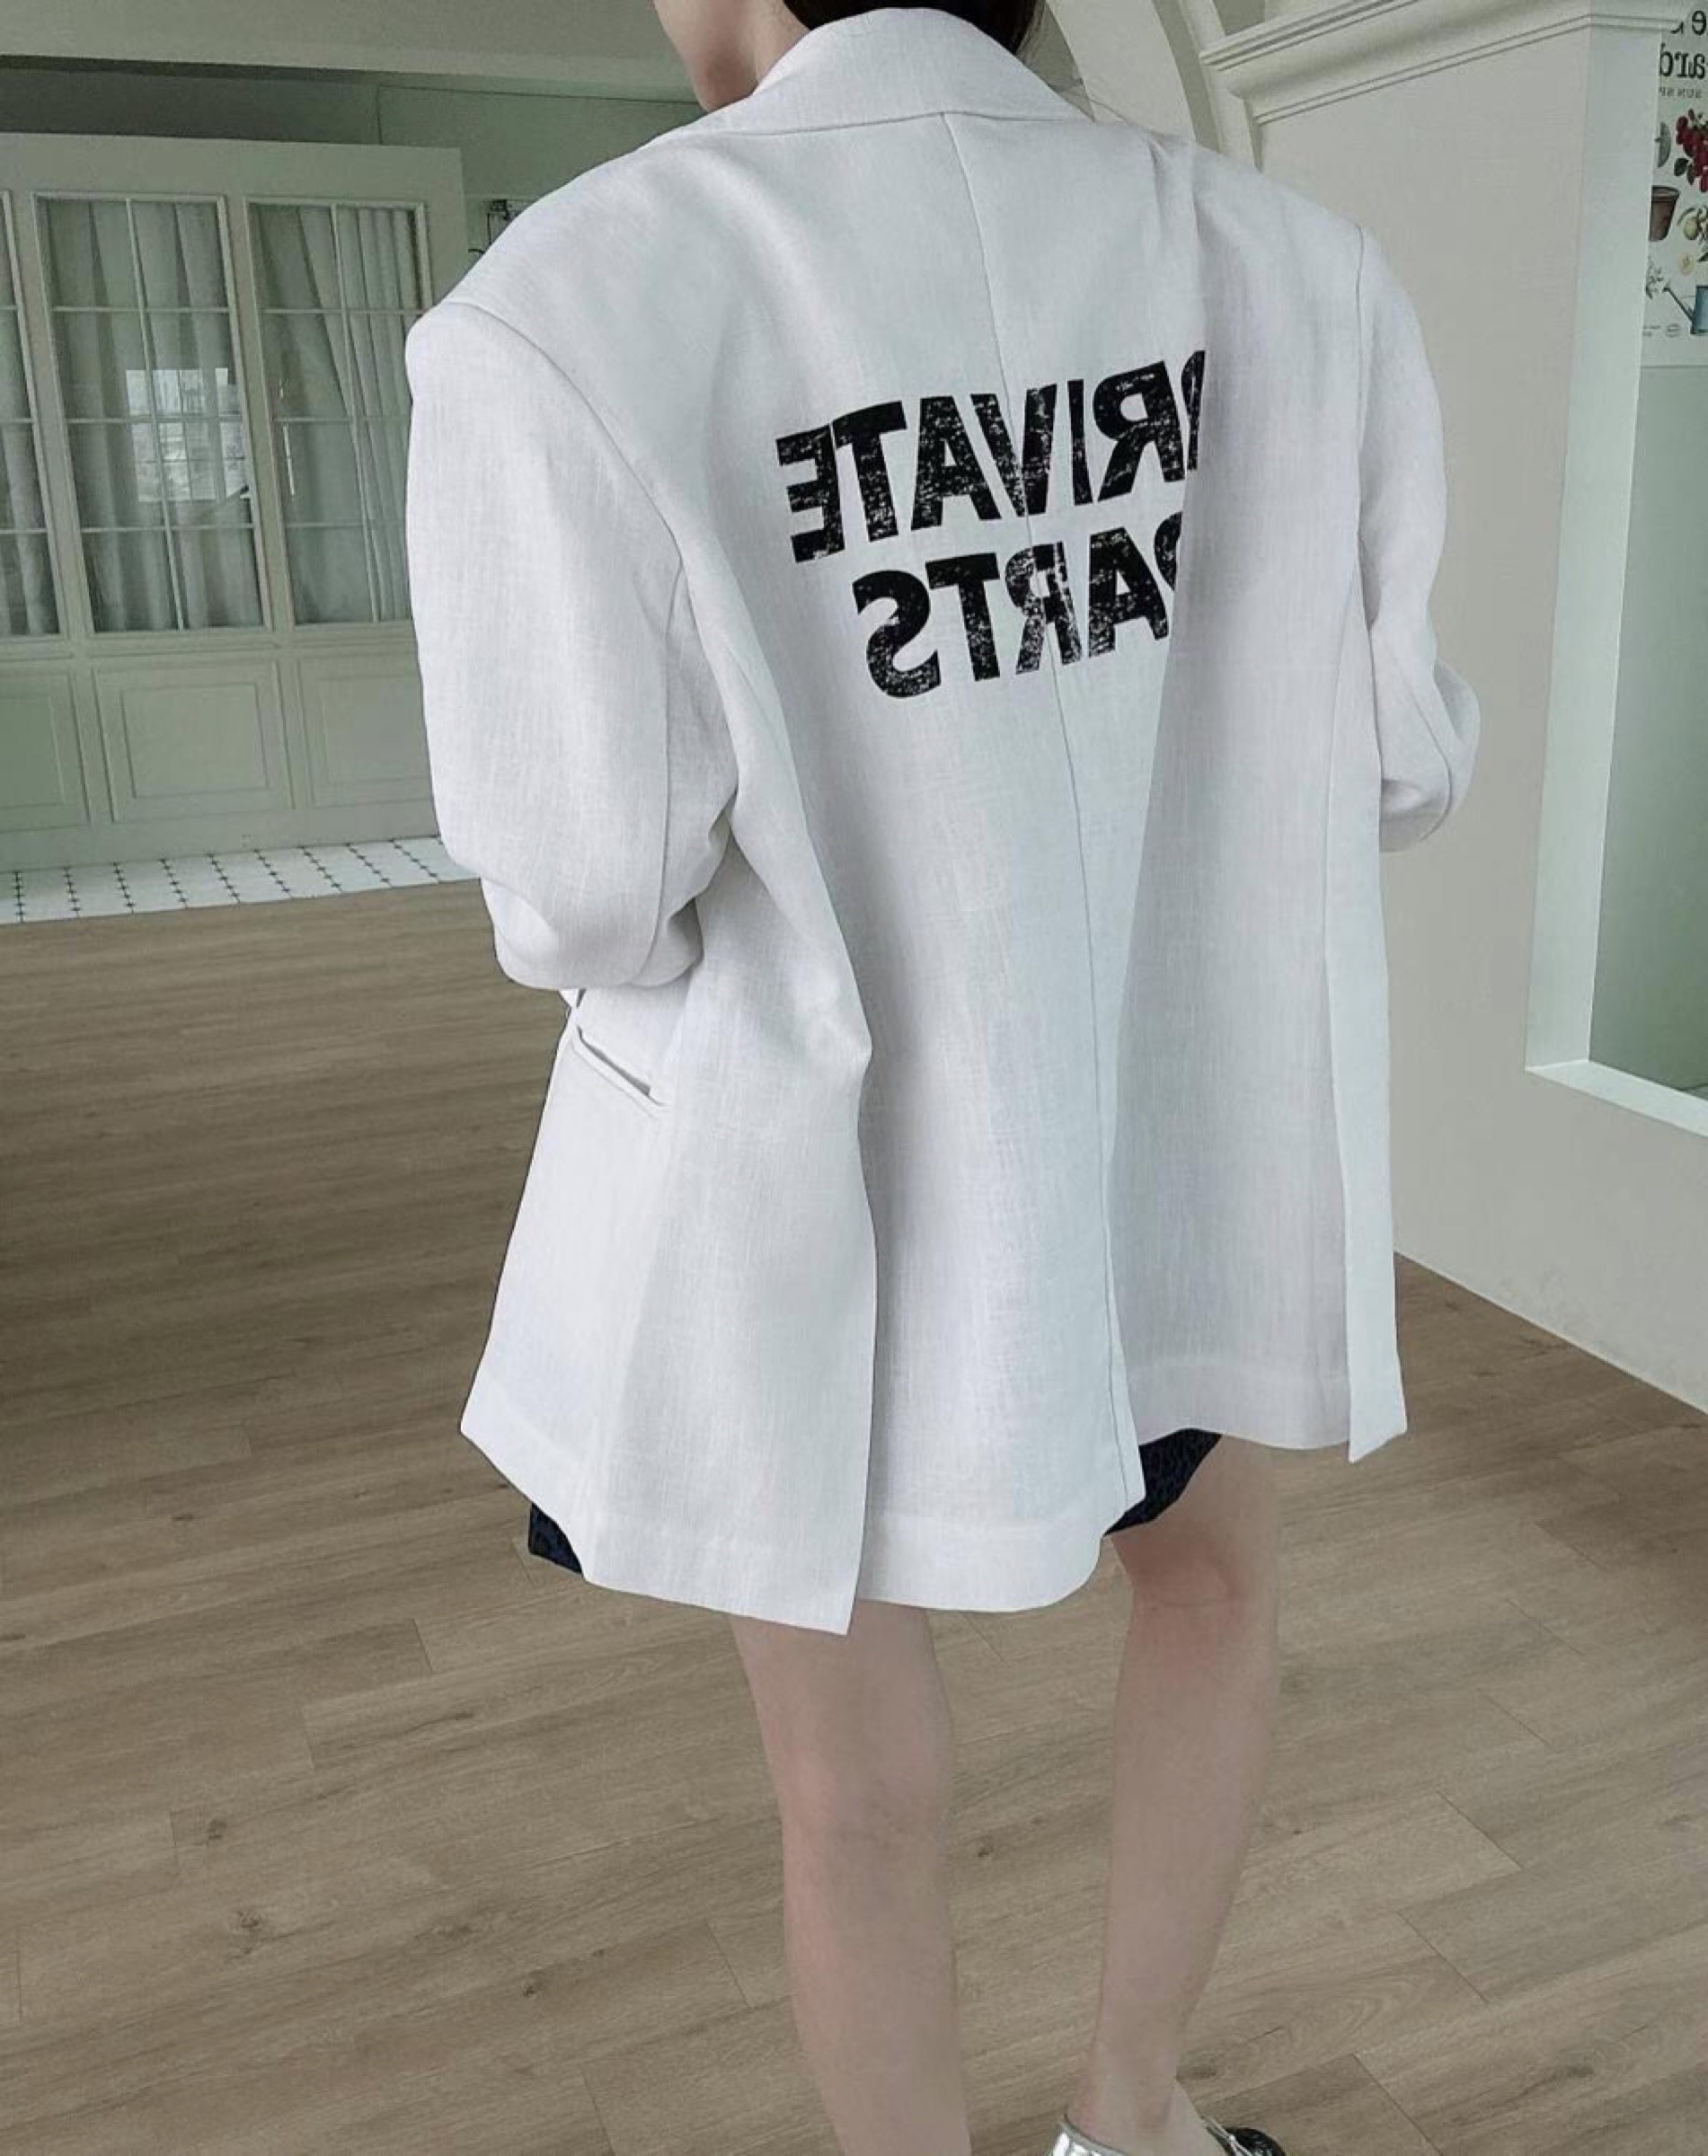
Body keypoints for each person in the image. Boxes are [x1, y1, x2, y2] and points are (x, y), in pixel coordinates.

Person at [400, 4, 1482, 2153]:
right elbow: (1403, 763)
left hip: (803, 1182)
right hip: (1163, 1139)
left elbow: (583, 891)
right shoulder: (1295, 271)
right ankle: (1134, 2119)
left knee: (855, 1788)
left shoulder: (571, 304)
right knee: (1214, 1583)